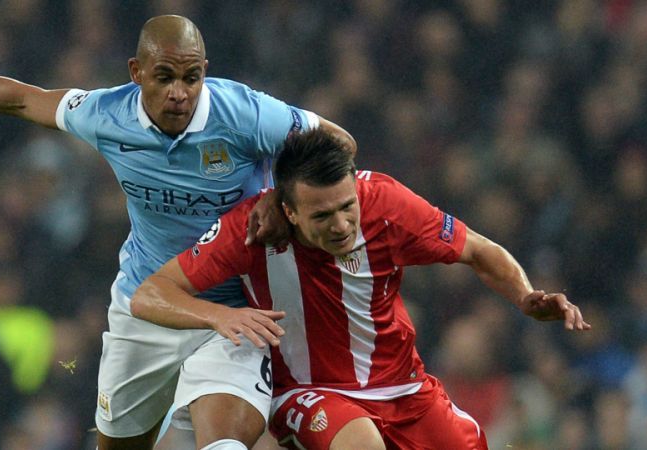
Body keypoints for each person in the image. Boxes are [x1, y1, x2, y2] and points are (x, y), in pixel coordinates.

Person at [0, 15, 355, 450]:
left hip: (237, 310)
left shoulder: (245, 113)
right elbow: (23, 99)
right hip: (150, 304)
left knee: (224, 442)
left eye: (192, 78)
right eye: (165, 77)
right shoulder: (106, 113)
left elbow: (338, 143)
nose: (180, 93)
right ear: (136, 73)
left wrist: (278, 200)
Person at [129, 128, 591, 449]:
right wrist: (219, 315)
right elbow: (150, 294)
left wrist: (525, 297)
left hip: (404, 387)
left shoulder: (386, 204)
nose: (342, 225)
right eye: (322, 216)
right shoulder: (247, 231)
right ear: (287, 210)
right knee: (360, 444)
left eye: (347, 207)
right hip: (305, 391)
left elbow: (479, 250)